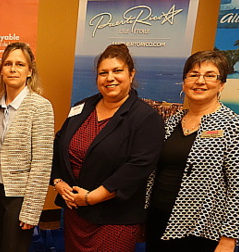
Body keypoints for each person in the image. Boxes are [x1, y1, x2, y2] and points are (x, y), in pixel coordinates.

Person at [50, 44, 164, 251]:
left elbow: (139, 166)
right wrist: (57, 181)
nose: (109, 78)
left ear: (131, 74)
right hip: (75, 212)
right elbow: (58, 145)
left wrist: (93, 197)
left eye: (117, 71)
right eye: (103, 73)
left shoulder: (146, 117)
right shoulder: (82, 107)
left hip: (115, 218)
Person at [145, 50, 239, 252]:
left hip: (202, 229)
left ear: (222, 84)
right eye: (193, 75)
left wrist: (229, 238)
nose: (200, 81)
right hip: (158, 219)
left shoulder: (236, 127)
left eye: (210, 75)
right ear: (184, 82)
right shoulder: (172, 121)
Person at [0, 42, 54, 251]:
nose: (13, 69)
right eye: (8, 64)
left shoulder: (40, 107)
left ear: (30, 71)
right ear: (1, 69)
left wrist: (31, 210)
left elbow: (42, 162)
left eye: (20, 64)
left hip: (19, 198)